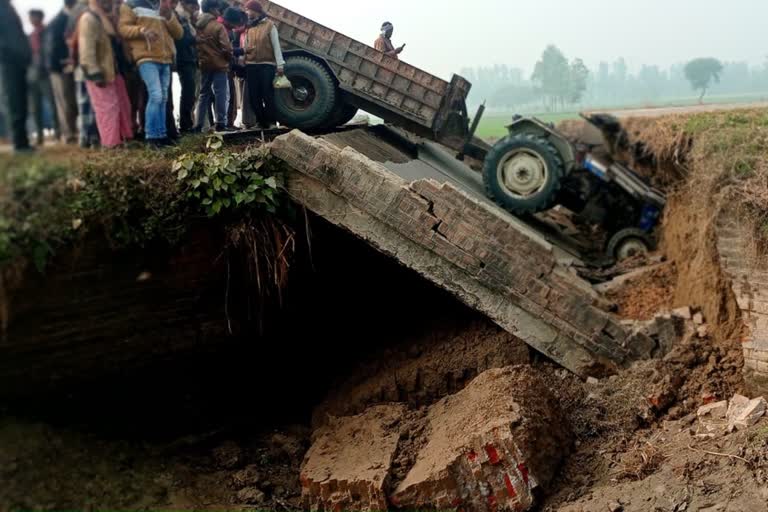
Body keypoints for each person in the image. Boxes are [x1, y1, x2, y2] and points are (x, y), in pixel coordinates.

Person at [118, 0, 183, 147]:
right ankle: (151, 136)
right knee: (156, 95)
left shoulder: (163, 6)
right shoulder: (131, 5)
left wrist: (169, 17)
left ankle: (161, 135)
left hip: (165, 58)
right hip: (146, 57)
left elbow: (178, 34)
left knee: (163, 97)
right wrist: (141, 30)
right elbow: (123, 29)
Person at [78, 0, 134, 148]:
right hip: (100, 73)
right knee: (107, 109)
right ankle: (112, 145)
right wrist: (94, 73)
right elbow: (86, 49)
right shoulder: (89, 18)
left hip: (113, 71)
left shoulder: (107, 19)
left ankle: (125, 138)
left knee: (123, 105)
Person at [242, 0, 283, 129]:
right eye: (246, 10)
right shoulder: (248, 27)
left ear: (256, 11)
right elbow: (246, 45)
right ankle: (261, 122)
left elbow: (276, 46)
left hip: (267, 64)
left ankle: (271, 122)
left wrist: (280, 64)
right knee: (254, 96)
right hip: (251, 65)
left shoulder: (270, 25)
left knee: (267, 94)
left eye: (249, 10)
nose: (247, 13)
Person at [194, 0, 233, 132]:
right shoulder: (218, 26)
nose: (219, 12)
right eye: (217, 9)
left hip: (204, 64)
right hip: (219, 65)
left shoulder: (198, 25)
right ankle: (221, 123)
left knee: (203, 94)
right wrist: (228, 59)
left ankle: (198, 124)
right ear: (211, 9)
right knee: (220, 93)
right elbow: (227, 48)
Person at [0, 0, 33, 152]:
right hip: (8, 61)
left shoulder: (7, 7)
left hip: (18, 62)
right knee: (14, 103)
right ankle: (19, 144)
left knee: (21, 102)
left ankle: (22, 141)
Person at [45, 0, 79, 144]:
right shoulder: (57, 21)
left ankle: (74, 131)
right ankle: (69, 134)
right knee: (64, 102)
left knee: (72, 101)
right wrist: (64, 61)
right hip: (59, 69)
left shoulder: (73, 17)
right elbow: (52, 48)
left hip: (71, 66)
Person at [28, 9, 60, 145]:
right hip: (32, 74)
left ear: (39, 17)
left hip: (46, 74)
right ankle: (39, 136)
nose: (31, 19)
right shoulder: (30, 36)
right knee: (35, 107)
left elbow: (50, 51)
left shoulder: (47, 32)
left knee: (53, 104)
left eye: (33, 17)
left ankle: (58, 133)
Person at [174, 0, 198, 132]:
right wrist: (194, 39)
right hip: (183, 59)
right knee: (188, 92)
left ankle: (187, 122)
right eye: (192, 6)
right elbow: (181, 39)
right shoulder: (179, 18)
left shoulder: (187, 19)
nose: (194, 9)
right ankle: (185, 123)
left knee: (190, 92)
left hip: (189, 59)